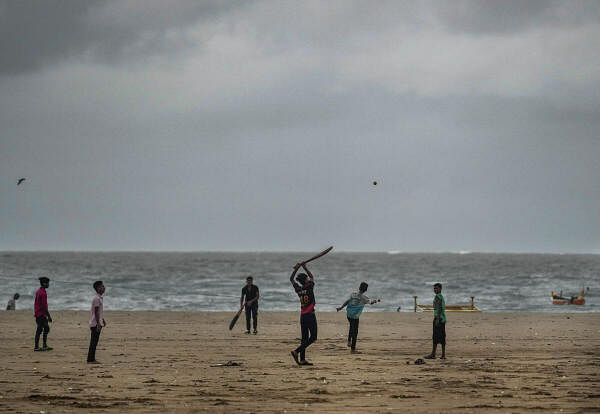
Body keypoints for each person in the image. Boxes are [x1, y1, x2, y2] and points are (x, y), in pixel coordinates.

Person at [336, 282, 379, 353]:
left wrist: (341, 307)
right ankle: (353, 349)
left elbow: (347, 301)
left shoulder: (353, 294)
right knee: (355, 332)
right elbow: (370, 303)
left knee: (351, 326)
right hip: (355, 316)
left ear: (359, 288)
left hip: (349, 314)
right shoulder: (364, 298)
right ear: (366, 290)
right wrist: (374, 301)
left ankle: (349, 341)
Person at [290, 262, 317, 366]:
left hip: (303, 316)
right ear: (305, 280)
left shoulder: (299, 289)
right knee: (313, 337)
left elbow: (291, 279)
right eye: (307, 279)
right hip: (310, 315)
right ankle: (296, 351)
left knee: (304, 338)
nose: (308, 279)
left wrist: (296, 269)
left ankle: (302, 359)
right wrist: (304, 266)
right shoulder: (309, 287)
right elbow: (311, 276)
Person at [424, 283, 446, 360]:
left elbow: (439, 308)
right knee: (442, 337)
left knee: (435, 337)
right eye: (434, 289)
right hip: (442, 319)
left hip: (438, 319)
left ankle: (433, 354)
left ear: (440, 289)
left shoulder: (438, 297)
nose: (435, 290)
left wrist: (437, 319)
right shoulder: (441, 297)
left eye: (436, 288)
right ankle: (442, 355)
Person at [88, 280, 107, 364]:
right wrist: (99, 324)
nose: (104, 288)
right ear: (98, 288)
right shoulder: (96, 298)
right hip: (95, 324)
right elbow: (96, 312)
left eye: (103, 286)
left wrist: (102, 320)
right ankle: (90, 359)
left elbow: (99, 312)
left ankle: (91, 359)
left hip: (97, 322)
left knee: (95, 342)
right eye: (102, 286)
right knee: (93, 342)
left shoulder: (99, 298)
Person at [34, 277, 52, 351]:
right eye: (47, 283)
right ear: (44, 283)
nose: (48, 285)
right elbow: (44, 307)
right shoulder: (43, 293)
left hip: (39, 313)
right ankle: (37, 347)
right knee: (40, 330)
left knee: (46, 328)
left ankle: (44, 345)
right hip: (41, 314)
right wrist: (49, 316)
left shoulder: (39, 291)